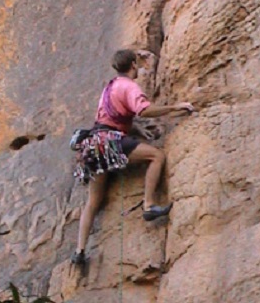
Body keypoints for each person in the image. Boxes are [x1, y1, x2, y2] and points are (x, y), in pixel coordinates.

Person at [71, 49, 194, 265]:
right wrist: (175, 107)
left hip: (93, 145)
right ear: (133, 65)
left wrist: (135, 130)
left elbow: (114, 116)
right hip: (110, 142)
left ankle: (79, 251)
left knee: (93, 200)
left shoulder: (109, 88)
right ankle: (148, 205)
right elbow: (143, 110)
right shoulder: (129, 86)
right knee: (156, 156)